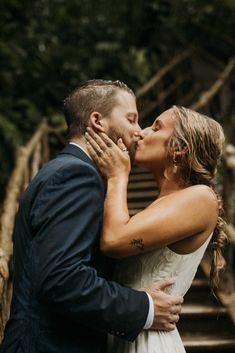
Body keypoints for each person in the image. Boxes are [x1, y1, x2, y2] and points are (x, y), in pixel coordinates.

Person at [0, 80, 183, 353]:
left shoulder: (67, 170)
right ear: (97, 120)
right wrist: (144, 307)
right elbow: (62, 279)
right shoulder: (76, 176)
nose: (138, 131)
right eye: (131, 119)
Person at [85, 105, 227, 353]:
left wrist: (118, 176)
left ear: (179, 148)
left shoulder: (201, 198)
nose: (141, 132)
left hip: (149, 343)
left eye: (156, 127)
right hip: (125, 332)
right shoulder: (162, 205)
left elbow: (114, 240)